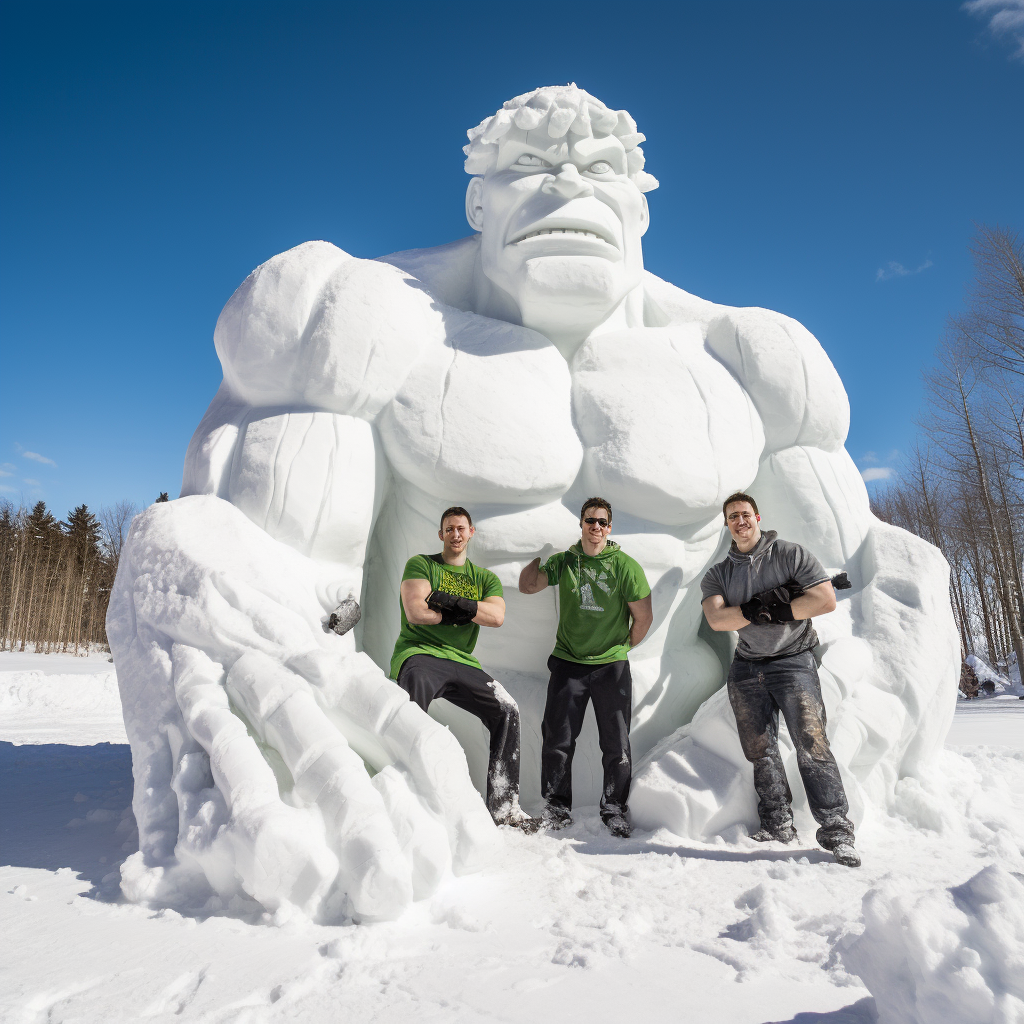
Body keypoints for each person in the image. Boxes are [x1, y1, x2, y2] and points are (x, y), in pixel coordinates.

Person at [700, 492, 860, 867]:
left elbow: (823, 600)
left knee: (812, 744)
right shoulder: (718, 574)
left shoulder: (790, 555)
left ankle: (837, 831)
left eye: (745, 514)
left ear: (757, 517)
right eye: (732, 517)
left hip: (793, 661)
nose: (740, 521)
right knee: (760, 749)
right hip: (747, 666)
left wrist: (771, 608)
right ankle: (777, 821)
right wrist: (761, 608)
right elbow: (718, 620)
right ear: (727, 525)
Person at [391, 505, 535, 830]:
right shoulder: (422, 564)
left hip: (463, 661)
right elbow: (416, 611)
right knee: (411, 708)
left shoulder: (484, 578)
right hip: (420, 655)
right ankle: (408, 796)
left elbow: (496, 617)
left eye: (461, 528)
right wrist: (469, 611)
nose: (456, 534)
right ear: (441, 534)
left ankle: (504, 809)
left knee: (507, 710)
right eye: (449, 528)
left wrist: (451, 603)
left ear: (471, 533)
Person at [519, 498, 653, 837]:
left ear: (610, 527)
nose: (596, 527)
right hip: (568, 663)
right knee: (558, 739)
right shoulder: (565, 561)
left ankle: (613, 809)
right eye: (590, 520)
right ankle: (556, 806)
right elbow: (528, 585)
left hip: (611, 667)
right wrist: (536, 559)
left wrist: (621, 648)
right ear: (581, 523)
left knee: (616, 742)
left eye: (602, 522)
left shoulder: (625, 565)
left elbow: (643, 616)